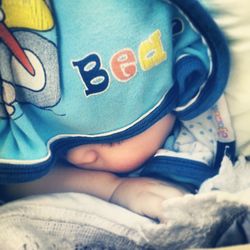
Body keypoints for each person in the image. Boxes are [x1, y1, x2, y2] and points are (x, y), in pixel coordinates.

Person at [0, 0, 230, 221]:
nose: (77, 158)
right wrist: (113, 189)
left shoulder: (203, 127)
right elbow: (13, 182)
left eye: (111, 141)